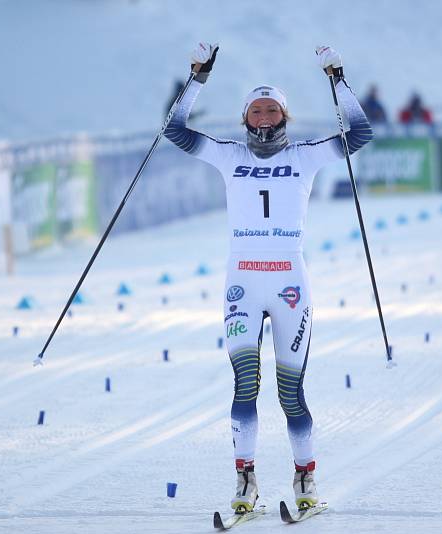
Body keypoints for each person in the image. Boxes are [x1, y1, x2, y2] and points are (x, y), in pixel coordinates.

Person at [163, 42, 372, 513]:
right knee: (244, 386)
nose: (262, 116)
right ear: (245, 119)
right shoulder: (226, 154)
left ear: (284, 116)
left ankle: (305, 480)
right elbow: (174, 130)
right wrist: (197, 77)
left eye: (271, 109)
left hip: (289, 286)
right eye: (255, 110)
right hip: (242, 282)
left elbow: (359, 133)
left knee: (290, 392)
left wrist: (338, 79)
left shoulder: (305, 155)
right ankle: (246, 480)